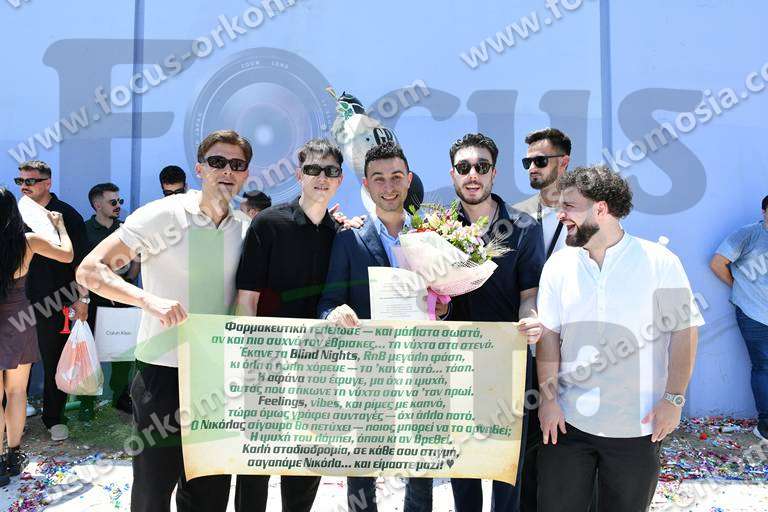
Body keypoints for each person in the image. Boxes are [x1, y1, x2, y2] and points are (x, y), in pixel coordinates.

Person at [77, 130, 253, 512]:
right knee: (153, 490)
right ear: (200, 169)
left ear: (246, 174)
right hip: (162, 370)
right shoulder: (162, 215)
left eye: (236, 164)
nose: (227, 171)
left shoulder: (244, 227)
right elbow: (89, 270)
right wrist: (147, 300)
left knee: (210, 493)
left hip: (216, 376)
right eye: (217, 162)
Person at [536, 165, 703, 512]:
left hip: (638, 427)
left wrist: (673, 400)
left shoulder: (661, 262)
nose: (561, 215)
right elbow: (549, 336)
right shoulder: (557, 266)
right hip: (567, 424)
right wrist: (549, 401)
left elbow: (684, 332)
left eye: (569, 206)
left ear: (600, 208)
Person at [317, 142, 444, 512]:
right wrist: (335, 313)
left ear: (409, 179)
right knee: (363, 463)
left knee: (420, 463)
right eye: (379, 178)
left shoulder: (434, 236)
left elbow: (447, 300)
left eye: (396, 177)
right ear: (366, 184)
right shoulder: (350, 238)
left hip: (421, 368)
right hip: (368, 373)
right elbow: (327, 302)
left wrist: (444, 308)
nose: (388, 186)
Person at [235, 138, 346, 512]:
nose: (321, 177)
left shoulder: (341, 233)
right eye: (313, 169)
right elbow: (246, 298)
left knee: (307, 460)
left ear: (340, 179)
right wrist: (248, 360)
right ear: (299, 175)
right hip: (268, 362)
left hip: (320, 367)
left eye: (330, 171)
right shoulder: (268, 223)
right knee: (257, 461)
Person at [446, 133, 545, 512]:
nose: (472, 174)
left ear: (494, 173)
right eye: (464, 167)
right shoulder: (434, 228)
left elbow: (529, 294)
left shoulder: (523, 227)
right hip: (454, 363)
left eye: (481, 167)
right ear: (453, 174)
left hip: (509, 362)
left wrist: (530, 319)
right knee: (463, 467)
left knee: (507, 469)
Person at [512, 127, 575, 512]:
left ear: (563, 162)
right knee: (530, 439)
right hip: (531, 343)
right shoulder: (516, 215)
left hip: (575, 345)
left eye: (540, 160)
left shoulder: (584, 211)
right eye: (527, 162)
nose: (532, 168)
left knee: (570, 441)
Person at [0, 187, 74, 485]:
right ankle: (13, 455)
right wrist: (59, 226)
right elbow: (67, 255)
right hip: (18, 320)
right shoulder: (27, 242)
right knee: (17, 392)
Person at [16, 160, 89, 441]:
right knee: (14, 364)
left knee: (54, 361)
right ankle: (14, 418)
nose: (24, 186)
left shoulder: (67, 215)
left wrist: (83, 298)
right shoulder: (14, 214)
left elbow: (81, 262)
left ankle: (54, 417)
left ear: (47, 183)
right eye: (20, 181)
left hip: (56, 301)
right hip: (17, 302)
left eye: (30, 181)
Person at [77, 183, 138, 421]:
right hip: (93, 300)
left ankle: (120, 397)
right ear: (97, 205)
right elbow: (79, 268)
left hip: (123, 298)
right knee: (89, 352)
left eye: (120, 201)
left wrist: (134, 265)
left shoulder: (126, 230)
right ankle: (86, 402)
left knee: (124, 352)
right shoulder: (83, 230)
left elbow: (135, 267)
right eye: (113, 202)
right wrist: (83, 298)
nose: (118, 205)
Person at [710, 194, 768, 441]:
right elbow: (717, 263)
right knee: (764, 366)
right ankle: (765, 425)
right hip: (754, 313)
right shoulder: (748, 234)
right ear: (764, 211)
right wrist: (739, 287)